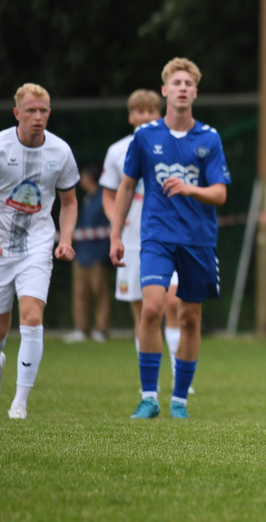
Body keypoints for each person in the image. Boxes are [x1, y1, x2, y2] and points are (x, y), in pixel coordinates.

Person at [109, 58, 231, 420]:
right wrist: (115, 235)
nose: (182, 88)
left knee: (190, 317)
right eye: (176, 83)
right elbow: (126, 186)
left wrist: (190, 189)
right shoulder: (145, 136)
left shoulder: (208, 138)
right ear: (165, 90)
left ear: (195, 92)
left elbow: (220, 193)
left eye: (188, 84)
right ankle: (149, 397)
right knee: (151, 309)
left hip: (197, 239)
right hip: (156, 236)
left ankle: (179, 401)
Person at [0, 83, 80, 419]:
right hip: (2, 247)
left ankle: (19, 403)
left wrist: (66, 239)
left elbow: (69, 202)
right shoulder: (2, 146)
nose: (38, 116)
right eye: (30, 110)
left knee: (32, 318)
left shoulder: (60, 151)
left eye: (43, 110)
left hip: (36, 246)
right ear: (16, 113)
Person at [100, 89, 162, 353]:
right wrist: (117, 221)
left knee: (170, 304)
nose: (146, 116)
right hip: (132, 238)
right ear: (130, 116)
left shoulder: (170, 145)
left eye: (151, 111)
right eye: (140, 111)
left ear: (160, 114)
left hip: (164, 233)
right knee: (143, 309)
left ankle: (177, 368)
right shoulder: (117, 150)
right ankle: (147, 370)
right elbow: (108, 195)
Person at [65, 163, 111, 343]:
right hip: (82, 253)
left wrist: (105, 254)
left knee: (100, 294)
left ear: (91, 178)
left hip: (98, 255)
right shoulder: (86, 199)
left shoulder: (103, 199)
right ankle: (81, 329)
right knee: (79, 294)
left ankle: (101, 329)